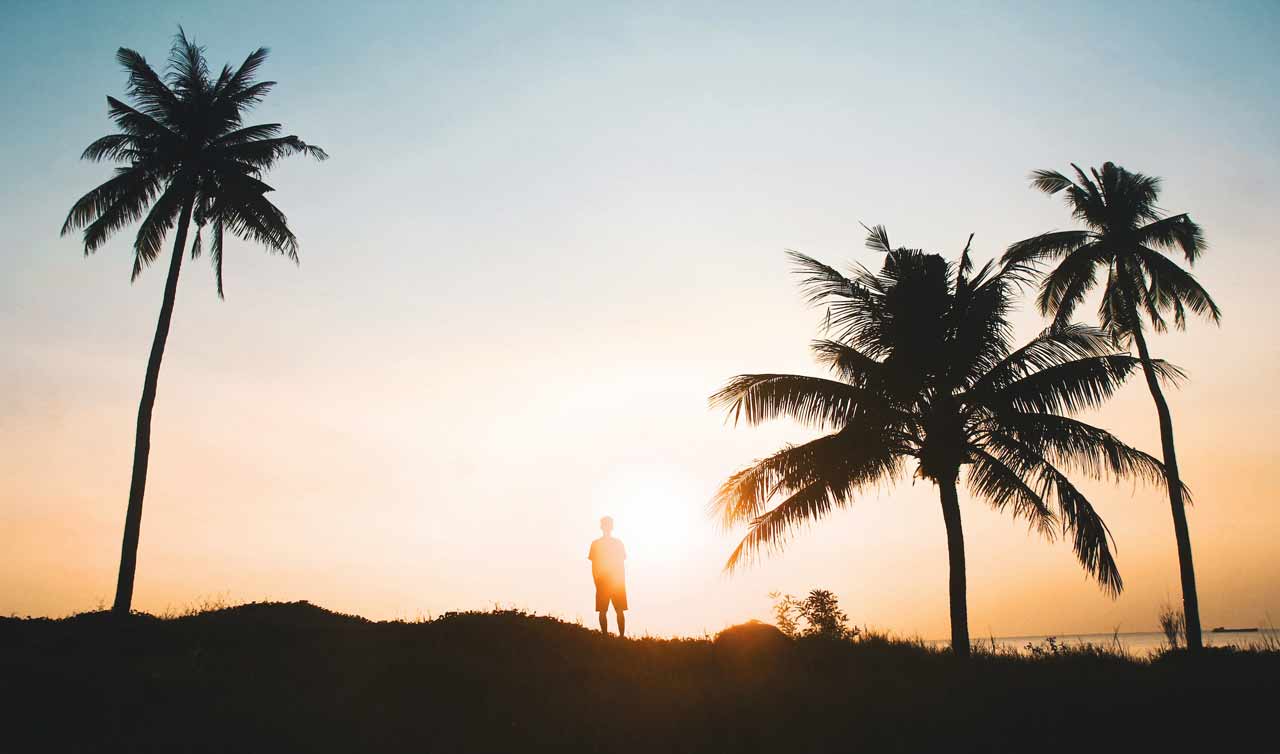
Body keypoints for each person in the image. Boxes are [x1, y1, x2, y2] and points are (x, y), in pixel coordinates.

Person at [588, 516, 627, 637]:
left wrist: (597, 581)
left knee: (606, 611)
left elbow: (594, 565)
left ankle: (608, 636)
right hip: (612, 581)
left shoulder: (597, 543)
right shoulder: (616, 543)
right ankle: (618, 637)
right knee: (612, 611)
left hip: (609, 581)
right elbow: (595, 565)